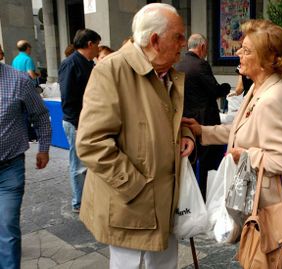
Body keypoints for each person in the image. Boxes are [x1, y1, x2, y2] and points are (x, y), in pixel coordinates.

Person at [75, 4, 194, 269]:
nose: (184, 43)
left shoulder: (167, 74)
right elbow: (91, 143)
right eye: (178, 36)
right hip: (132, 210)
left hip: (165, 205)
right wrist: (136, 187)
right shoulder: (111, 71)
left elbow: (166, 122)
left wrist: (185, 134)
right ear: (155, 40)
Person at [182, 18, 282, 223]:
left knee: (262, 255)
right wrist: (202, 131)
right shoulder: (258, 87)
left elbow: (281, 160)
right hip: (255, 201)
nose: (238, 54)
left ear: (268, 58)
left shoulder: (275, 97)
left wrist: (244, 155)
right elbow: (242, 128)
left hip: (269, 206)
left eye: (246, 50)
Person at [0, 43, 51, 269]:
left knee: (7, 227)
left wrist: (44, 148)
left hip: (9, 170)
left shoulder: (19, 81)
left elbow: (40, 115)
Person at [175, 33, 231, 198]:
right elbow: (214, 90)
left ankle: (190, 198)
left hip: (185, 119)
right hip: (204, 120)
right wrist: (226, 88)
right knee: (207, 164)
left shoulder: (178, 64)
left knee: (189, 161)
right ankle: (205, 197)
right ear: (202, 47)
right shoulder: (200, 65)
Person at [58, 28, 101, 213]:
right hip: (76, 122)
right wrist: (80, 122)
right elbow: (67, 97)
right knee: (77, 165)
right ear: (90, 44)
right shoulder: (71, 63)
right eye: (97, 45)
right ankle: (78, 202)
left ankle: (88, 199)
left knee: (87, 164)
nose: (98, 49)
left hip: (87, 121)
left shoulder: (88, 63)